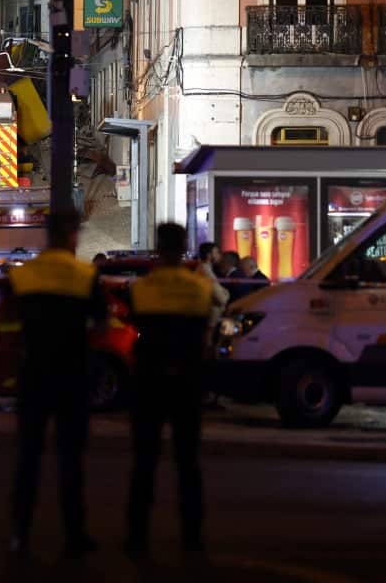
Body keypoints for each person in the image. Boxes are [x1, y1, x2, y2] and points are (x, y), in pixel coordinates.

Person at [0, 208, 107, 558]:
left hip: (34, 374)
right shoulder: (85, 276)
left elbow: (8, 324)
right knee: (70, 459)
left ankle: (20, 534)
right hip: (72, 376)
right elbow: (101, 326)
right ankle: (74, 534)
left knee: (28, 458)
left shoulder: (23, 276)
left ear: (47, 234)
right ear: (73, 234)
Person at [125, 223, 214, 558]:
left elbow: (136, 328)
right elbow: (203, 335)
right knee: (188, 464)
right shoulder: (200, 289)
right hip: (187, 384)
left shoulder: (141, 289)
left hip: (149, 383)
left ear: (158, 248)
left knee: (144, 463)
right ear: (184, 247)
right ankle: (192, 539)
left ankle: (137, 537)